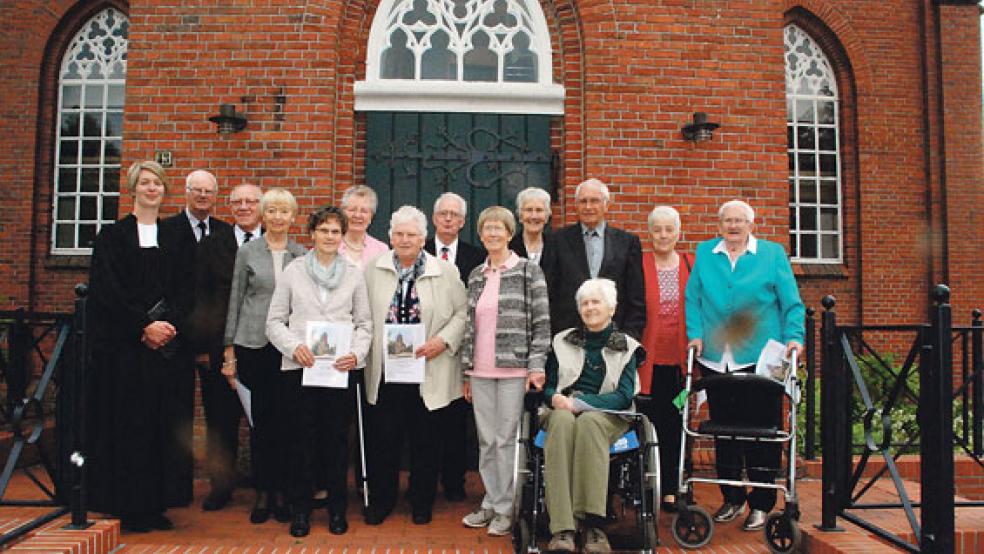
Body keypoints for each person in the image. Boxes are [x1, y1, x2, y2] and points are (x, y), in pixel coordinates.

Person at [86, 161, 194, 532]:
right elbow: (108, 290)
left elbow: (187, 287)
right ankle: (128, 504)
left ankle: (156, 504)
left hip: (167, 351)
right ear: (133, 189)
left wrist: (168, 325)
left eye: (158, 183)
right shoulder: (113, 238)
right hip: (127, 352)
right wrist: (143, 326)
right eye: (145, 183)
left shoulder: (177, 237)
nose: (152, 189)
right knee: (130, 426)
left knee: (161, 427)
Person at [685, 199, 805, 532]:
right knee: (724, 431)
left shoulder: (771, 254)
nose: (733, 226)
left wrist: (795, 337)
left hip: (758, 357)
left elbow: (791, 303)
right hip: (715, 357)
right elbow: (692, 298)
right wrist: (694, 335)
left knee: (761, 433)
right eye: (727, 221)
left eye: (740, 221)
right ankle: (732, 497)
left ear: (751, 225)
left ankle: (762, 503)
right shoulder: (706, 253)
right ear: (719, 225)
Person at [266, 206, 372, 537]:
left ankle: (337, 510)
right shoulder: (293, 271)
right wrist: (292, 346)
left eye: (335, 231)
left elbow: (365, 323)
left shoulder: (354, 273)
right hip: (301, 369)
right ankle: (301, 511)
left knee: (336, 443)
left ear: (343, 237)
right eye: (323, 230)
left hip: (339, 371)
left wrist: (356, 353)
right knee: (302, 442)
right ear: (312, 233)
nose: (329, 236)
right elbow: (273, 321)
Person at [363, 205, 468, 525]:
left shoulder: (445, 271)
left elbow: (463, 314)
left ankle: (422, 501)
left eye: (411, 234)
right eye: (399, 233)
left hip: (429, 368)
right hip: (386, 370)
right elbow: (362, 315)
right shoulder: (372, 269)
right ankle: (382, 500)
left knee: (426, 440)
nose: (405, 239)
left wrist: (443, 341)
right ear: (390, 236)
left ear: (423, 238)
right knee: (384, 439)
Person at [459, 206, 550, 536]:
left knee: (507, 439)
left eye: (499, 228)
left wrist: (536, 366)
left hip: (513, 370)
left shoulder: (528, 271)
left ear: (510, 233)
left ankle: (508, 507)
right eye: (487, 228)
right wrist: (465, 372)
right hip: (480, 370)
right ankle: (492, 500)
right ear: (481, 235)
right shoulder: (475, 274)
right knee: (486, 440)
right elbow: (469, 326)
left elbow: (541, 323)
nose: (493, 233)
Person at [221, 188, 306, 525]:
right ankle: (262, 492)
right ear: (263, 215)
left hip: (287, 348)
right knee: (260, 423)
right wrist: (229, 348)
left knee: (287, 422)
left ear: (293, 217)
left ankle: (282, 492)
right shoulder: (248, 252)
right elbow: (235, 299)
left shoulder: (301, 255)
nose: (277, 217)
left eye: (284, 211)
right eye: (271, 211)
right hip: (253, 344)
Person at [541, 278, 643, 553]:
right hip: (563, 409)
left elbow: (623, 395)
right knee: (560, 422)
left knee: (589, 422)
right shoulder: (562, 341)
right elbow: (550, 384)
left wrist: (582, 402)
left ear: (611, 308)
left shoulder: (627, 346)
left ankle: (593, 525)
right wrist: (554, 397)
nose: (589, 308)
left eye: (596, 302)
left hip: (608, 414)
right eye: (584, 303)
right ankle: (562, 528)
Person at [159, 169, 233, 510]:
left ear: (216, 196)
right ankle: (173, 485)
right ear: (186, 193)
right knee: (175, 413)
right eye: (197, 190)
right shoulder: (166, 231)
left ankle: (221, 486)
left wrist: (209, 345)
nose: (203, 196)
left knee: (219, 414)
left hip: (212, 341)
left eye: (209, 191)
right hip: (173, 338)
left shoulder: (225, 233)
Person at [188, 182, 263, 512]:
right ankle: (221, 486)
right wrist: (202, 348)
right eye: (238, 202)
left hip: (264, 347)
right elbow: (199, 298)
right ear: (230, 207)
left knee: (264, 419)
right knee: (221, 421)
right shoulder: (211, 244)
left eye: (251, 201)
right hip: (219, 347)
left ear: (261, 206)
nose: (244, 207)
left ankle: (266, 485)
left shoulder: (274, 243)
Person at [424, 191, 485, 502]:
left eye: (454, 215)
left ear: (463, 222)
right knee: (425, 419)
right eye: (442, 213)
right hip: (423, 350)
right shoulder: (417, 252)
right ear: (434, 219)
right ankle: (424, 481)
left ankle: (453, 481)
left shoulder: (477, 257)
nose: (448, 219)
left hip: (460, 349)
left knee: (455, 420)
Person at [540, 178, 646, 339]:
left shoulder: (627, 243)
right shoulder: (556, 241)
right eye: (583, 201)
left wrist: (629, 337)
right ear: (576, 206)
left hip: (615, 337)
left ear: (606, 205)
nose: (588, 207)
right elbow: (548, 294)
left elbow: (636, 297)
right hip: (568, 337)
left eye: (594, 201)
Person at [637, 206, 693, 511]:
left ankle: (673, 487)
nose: (663, 235)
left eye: (669, 229)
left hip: (681, 368)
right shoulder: (640, 264)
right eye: (657, 229)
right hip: (648, 365)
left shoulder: (690, 264)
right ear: (650, 232)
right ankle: (648, 485)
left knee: (677, 420)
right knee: (650, 422)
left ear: (678, 232)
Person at [339, 185, 389, 269]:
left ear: (371, 217)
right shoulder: (330, 245)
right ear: (342, 212)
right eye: (352, 210)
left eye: (364, 211)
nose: (357, 215)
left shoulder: (381, 250)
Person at [509, 186, 553, 265]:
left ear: (547, 216)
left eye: (539, 210)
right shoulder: (508, 248)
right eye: (529, 210)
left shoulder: (558, 248)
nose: (534, 216)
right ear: (520, 216)